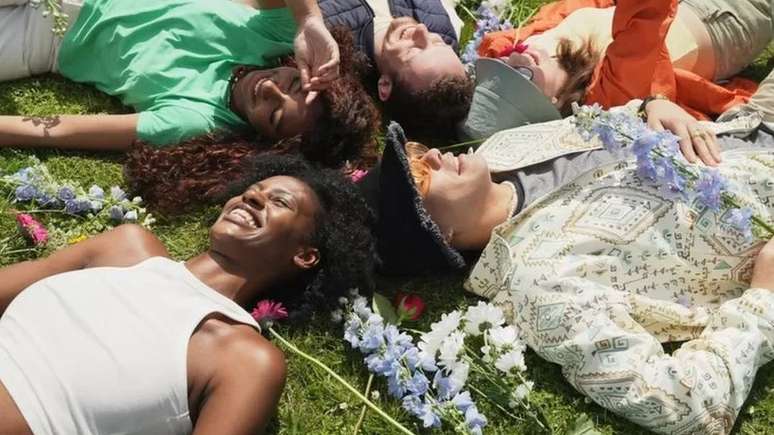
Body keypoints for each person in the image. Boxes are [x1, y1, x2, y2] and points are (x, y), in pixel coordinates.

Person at [360, 105, 774, 432]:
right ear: (439, 235)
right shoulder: (540, 285)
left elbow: (610, 120)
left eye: (416, 152)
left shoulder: (502, 148)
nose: (433, 154)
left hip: (750, 120)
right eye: (420, 176)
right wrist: (762, 299)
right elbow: (683, 408)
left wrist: (652, 104)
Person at [0, 154, 376, 434]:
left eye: (280, 202)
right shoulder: (126, 248)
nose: (252, 199)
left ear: (305, 255)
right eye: (251, 192)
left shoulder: (241, 359)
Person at [0, 0, 352, 153]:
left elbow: (63, 129)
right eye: (292, 83)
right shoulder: (274, 36)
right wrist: (309, 20)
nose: (270, 87)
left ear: (266, 138)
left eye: (275, 115)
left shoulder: (196, 118)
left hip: (40, 37)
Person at [473, 0, 773, 135]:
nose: (518, 59)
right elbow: (645, 14)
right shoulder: (609, 92)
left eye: (504, 63)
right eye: (522, 76)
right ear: (553, 102)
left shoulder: (542, 48)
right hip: (726, 23)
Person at [319, 0, 474, 141]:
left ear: (385, 85)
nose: (421, 29)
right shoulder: (440, 27)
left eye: (413, 50)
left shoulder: (329, 38)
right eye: (438, 42)